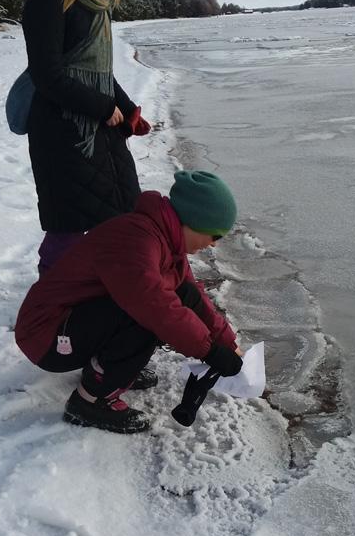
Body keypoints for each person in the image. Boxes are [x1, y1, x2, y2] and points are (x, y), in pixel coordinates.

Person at [15, 170, 245, 434]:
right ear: (192, 221)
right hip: (46, 335)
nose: (213, 245)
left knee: (174, 296)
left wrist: (226, 343)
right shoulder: (136, 241)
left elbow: (191, 295)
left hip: (71, 322)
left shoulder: (164, 239)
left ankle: (104, 369)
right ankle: (90, 401)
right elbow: (155, 307)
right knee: (146, 318)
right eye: (214, 236)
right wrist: (209, 352)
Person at [21, 0, 151, 274]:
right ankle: (50, 299)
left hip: (95, 126)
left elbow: (98, 72)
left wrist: (126, 109)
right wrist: (102, 106)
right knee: (68, 223)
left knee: (121, 207)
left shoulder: (97, 3)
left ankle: (101, 286)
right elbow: (47, 75)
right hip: (60, 130)